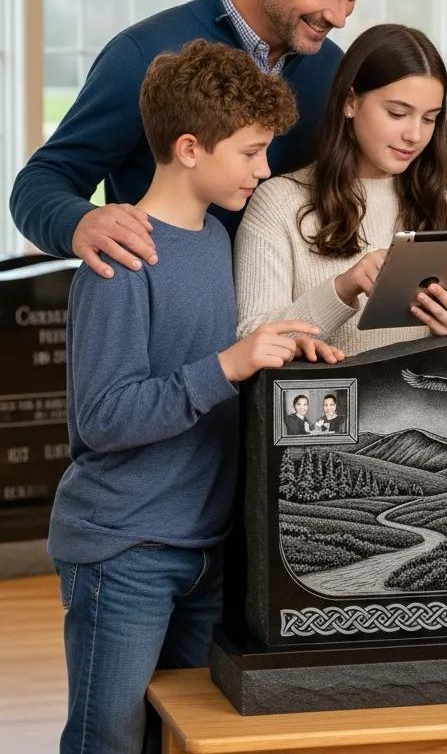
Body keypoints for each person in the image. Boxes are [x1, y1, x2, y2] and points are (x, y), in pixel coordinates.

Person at [48, 41, 336, 754]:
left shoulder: (212, 239)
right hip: (125, 550)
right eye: (250, 153)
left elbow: (213, 368)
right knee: (106, 738)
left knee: (179, 736)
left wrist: (276, 349)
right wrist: (230, 364)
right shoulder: (118, 263)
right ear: (188, 148)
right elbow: (103, 419)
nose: (264, 169)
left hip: (204, 545)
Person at [9, 0, 381, 296]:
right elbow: (41, 182)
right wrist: (80, 222)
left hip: (292, 335)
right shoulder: (144, 54)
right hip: (172, 328)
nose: (340, 16)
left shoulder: (332, 68)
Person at [234, 24, 447, 356]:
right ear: (350, 102)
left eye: (429, 118)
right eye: (397, 113)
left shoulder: (445, 207)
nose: (414, 135)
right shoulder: (279, 202)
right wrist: (343, 288)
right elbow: (251, 341)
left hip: (422, 406)